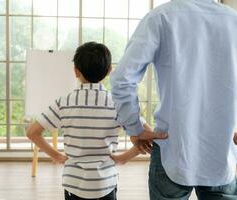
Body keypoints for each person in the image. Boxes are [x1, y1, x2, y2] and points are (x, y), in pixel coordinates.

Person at [110, 0, 237, 199]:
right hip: (222, 151)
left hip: (173, 147)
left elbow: (122, 79)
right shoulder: (233, 20)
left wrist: (134, 127)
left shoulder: (161, 17)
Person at [27, 42, 152, 200]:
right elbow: (147, 133)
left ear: (76, 71)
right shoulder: (117, 104)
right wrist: (124, 157)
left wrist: (56, 155)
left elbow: (32, 133)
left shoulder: (64, 102)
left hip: (74, 183)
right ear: (109, 71)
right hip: (105, 183)